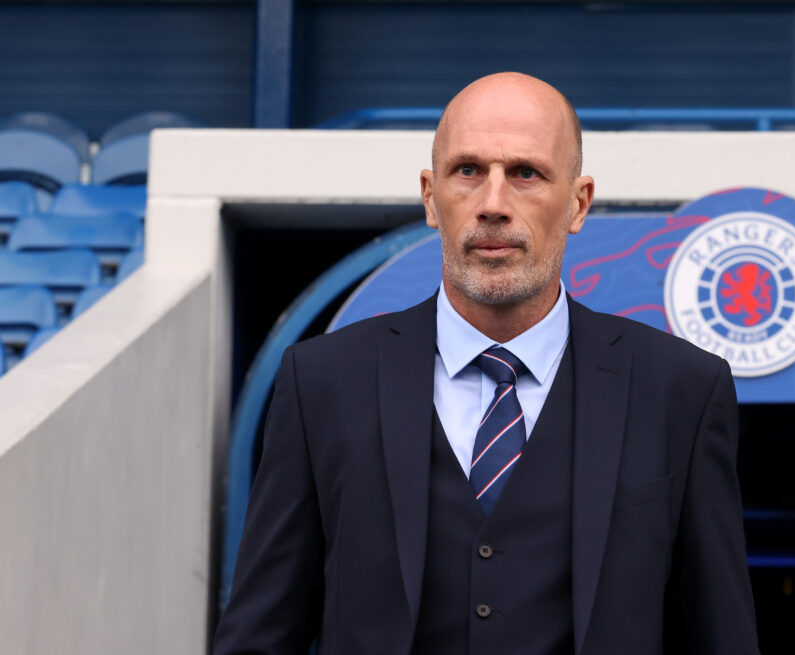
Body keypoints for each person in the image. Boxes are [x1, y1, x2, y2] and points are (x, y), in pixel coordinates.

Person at [213, 72, 759, 655]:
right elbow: (260, 635)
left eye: (526, 173)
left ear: (577, 204)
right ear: (430, 196)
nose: (493, 204)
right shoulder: (322, 383)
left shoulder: (681, 391)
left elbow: (719, 637)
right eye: (468, 171)